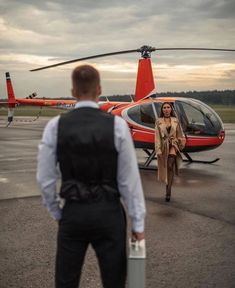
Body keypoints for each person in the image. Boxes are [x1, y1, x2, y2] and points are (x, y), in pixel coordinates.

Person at [36, 64, 146, 288]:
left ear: (73, 91)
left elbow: (45, 179)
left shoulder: (55, 126)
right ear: (99, 89)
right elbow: (129, 182)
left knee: (66, 280)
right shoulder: (117, 126)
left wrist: (59, 213)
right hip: (109, 213)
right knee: (114, 279)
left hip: (73, 212)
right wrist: (138, 224)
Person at [155, 102, 186, 202]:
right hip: (164, 146)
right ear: (162, 110)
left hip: (173, 144)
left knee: (170, 165)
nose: (166, 109)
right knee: (166, 168)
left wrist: (179, 142)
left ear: (171, 109)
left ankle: (168, 191)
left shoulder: (176, 121)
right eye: (164, 107)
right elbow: (157, 137)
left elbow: (180, 134)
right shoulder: (158, 121)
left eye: (168, 107)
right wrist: (158, 149)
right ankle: (167, 187)